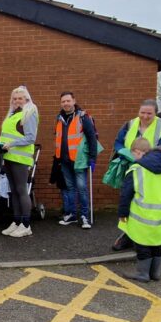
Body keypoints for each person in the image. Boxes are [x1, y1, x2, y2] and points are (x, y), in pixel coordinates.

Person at [118, 139, 161, 283]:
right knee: (157, 244)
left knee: (142, 244)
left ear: (138, 152)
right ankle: (155, 273)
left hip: (141, 214)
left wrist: (122, 213)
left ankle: (143, 273)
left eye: (133, 154)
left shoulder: (136, 169)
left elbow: (126, 193)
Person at [0, 86, 39, 238]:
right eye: (14, 98)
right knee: (13, 191)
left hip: (20, 159)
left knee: (22, 190)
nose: (17, 101)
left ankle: (26, 224)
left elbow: (30, 138)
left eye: (20, 98)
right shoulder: (12, 114)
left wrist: (12, 143)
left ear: (26, 99)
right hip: (9, 157)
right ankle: (16, 222)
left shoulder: (29, 113)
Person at [54, 91, 97, 229]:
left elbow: (92, 138)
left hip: (79, 160)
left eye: (68, 101)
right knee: (70, 188)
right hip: (65, 160)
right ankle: (72, 214)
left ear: (74, 101)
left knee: (82, 189)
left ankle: (85, 216)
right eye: (63, 101)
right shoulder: (59, 118)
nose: (66, 103)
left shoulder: (83, 117)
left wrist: (92, 158)